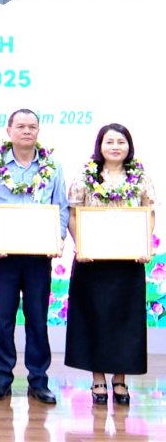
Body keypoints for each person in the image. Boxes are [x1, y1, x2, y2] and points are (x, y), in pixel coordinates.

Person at [0, 109, 68, 404]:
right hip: (4, 255)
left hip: (39, 255)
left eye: (32, 126)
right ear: (9, 131)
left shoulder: (52, 166)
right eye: (20, 126)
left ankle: (38, 380)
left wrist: (58, 238)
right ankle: (2, 379)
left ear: (38, 131)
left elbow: (61, 206)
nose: (26, 131)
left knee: (37, 318)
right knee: (3, 319)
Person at [65, 123, 156, 406]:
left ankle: (120, 379)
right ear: (100, 145)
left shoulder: (140, 177)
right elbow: (73, 214)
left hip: (128, 264)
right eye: (109, 142)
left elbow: (149, 213)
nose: (115, 147)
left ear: (129, 146)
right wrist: (81, 244)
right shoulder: (85, 176)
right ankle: (98, 379)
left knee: (124, 322)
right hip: (92, 262)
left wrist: (144, 245)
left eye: (121, 142)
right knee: (94, 319)